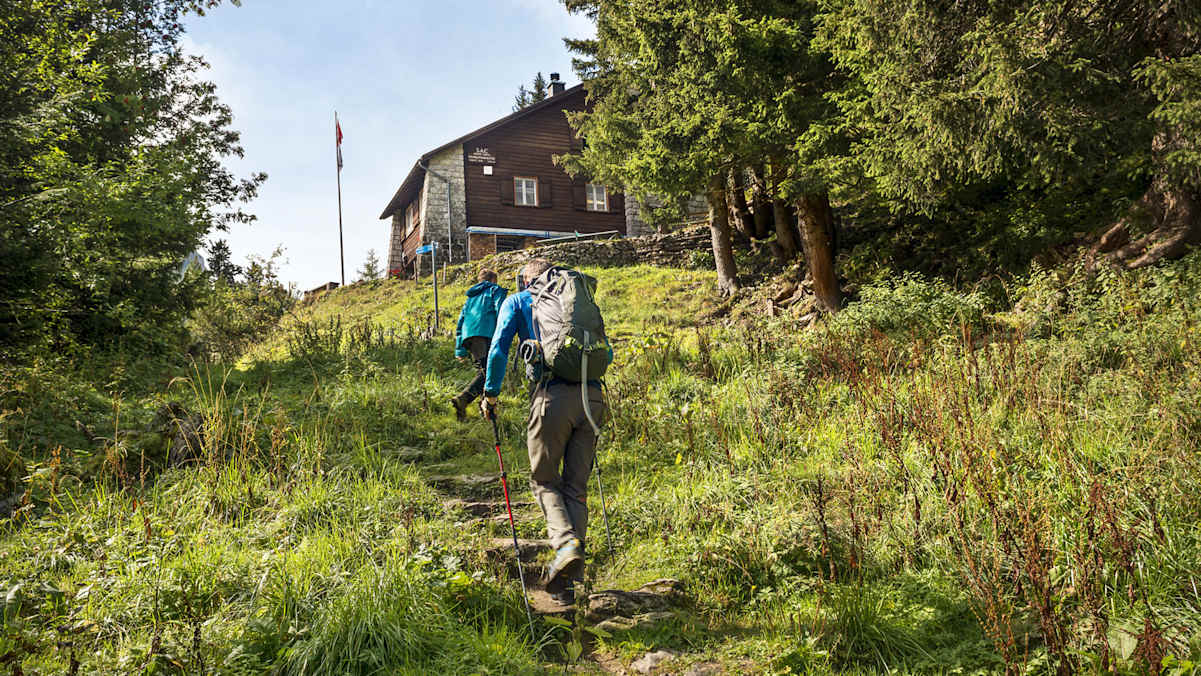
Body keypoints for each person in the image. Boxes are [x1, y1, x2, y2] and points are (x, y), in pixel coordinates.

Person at [480, 258, 609, 604]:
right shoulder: (578, 298)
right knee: (576, 489)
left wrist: (491, 394)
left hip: (552, 398)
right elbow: (605, 348)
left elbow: (498, 348)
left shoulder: (521, 300)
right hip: (593, 397)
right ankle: (567, 581)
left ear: (526, 280)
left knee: (544, 481)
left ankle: (565, 545)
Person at [450, 269, 507, 421]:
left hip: (470, 337)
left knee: (483, 370)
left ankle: (484, 411)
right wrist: (505, 333)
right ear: (493, 280)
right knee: (488, 372)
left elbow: (461, 322)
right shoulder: (495, 290)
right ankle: (464, 398)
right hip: (486, 334)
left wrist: (460, 349)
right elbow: (501, 310)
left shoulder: (470, 298)